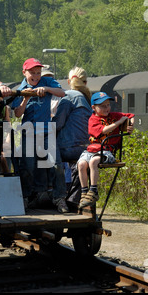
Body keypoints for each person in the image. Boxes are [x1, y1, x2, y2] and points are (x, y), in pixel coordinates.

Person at [11, 58, 66, 211]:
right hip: (28, 132)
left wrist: (47, 89)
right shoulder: (20, 89)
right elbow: (17, 114)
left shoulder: (47, 81)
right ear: (24, 73)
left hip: (47, 131)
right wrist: (26, 98)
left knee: (56, 165)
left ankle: (60, 198)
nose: (36, 76)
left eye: (38, 72)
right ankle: (26, 198)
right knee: (27, 166)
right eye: (32, 73)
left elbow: (62, 93)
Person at [77, 92, 135, 216]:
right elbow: (104, 130)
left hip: (107, 151)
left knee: (93, 162)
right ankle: (84, 192)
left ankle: (93, 191)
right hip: (92, 150)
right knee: (81, 164)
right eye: (102, 106)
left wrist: (130, 125)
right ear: (94, 108)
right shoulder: (93, 120)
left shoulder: (114, 115)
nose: (107, 108)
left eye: (108, 105)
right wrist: (119, 123)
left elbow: (130, 115)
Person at [51, 67, 92, 211]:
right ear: (85, 82)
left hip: (68, 148)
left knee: (41, 152)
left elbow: (57, 125)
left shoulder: (68, 96)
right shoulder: (87, 99)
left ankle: (53, 196)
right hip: (85, 148)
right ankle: (74, 199)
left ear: (69, 81)